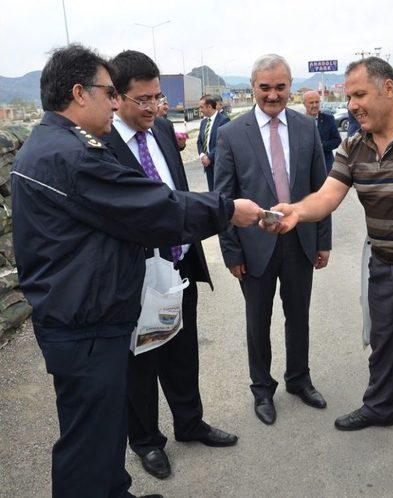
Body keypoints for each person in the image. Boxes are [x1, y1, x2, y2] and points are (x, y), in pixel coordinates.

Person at [10, 44, 262, 498]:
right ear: (78, 93)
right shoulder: (73, 155)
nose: (114, 102)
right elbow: (151, 206)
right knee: (87, 444)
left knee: (102, 434)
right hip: (84, 323)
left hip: (85, 311)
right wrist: (227, 209)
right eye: (109, 92)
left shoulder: (49, 145)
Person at [263, 57, 393, 472]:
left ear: (388, 89)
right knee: (385, 342)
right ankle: (380, 406)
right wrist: (298, 213)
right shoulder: (353, 145)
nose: (352, 104)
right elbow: (328, 195)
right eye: (348, 96)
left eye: (359, 94)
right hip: (382, 264)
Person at [103, 50, 238, 481]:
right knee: (141, 363)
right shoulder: (99, 145)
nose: (151, 108)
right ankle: (146, 441)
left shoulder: (161, 129)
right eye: (141, 100)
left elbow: (177, 196)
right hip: (136, 278)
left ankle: (190, 422)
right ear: (115, 97)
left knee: (183, 350)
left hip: (178, 266)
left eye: (156, 97)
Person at [214, 54, 332, 425]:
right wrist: (232, 251)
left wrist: (323, 241)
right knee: (258, 321)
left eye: (280, 87)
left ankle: (299, 379)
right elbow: (223, 198)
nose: (272, 95)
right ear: (252, 88)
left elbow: (320, 188)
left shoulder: (304, 127)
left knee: (298, 316)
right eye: (264, 87)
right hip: (254, 248)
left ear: (290, 87)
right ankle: (262, 389)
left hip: (300, 241)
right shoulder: (231, 134)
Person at [302, 90, 341, 172]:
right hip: (306, 167)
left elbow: (337, 140)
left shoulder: (328, 119)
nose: (315, 105)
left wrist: (321, 146)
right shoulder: (298, 121)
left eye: (317, 102)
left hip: (325, 166)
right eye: (311, 102)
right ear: (304, 104)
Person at [198, 94, 230, 191]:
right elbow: (199, 141)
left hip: (219, 164)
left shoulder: (224, 120)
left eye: (201, 107)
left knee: (221, 193)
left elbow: (223, 143)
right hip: (208, 165)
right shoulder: (203, 122)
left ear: (209, 107)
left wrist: (210, 157)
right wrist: (202, 155)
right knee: (212, 193)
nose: (200, 110)